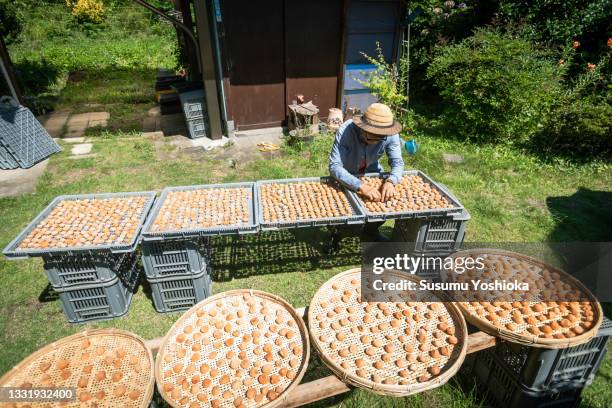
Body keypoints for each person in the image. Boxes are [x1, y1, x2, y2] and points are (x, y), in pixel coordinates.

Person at [329, 103, 404, 241]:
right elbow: (335, 166)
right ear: (361, 128)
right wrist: (360, 185)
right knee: (344, 210)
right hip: (347, 175)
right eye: (371, 138)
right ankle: (338, 234)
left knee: (383, 205)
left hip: (372, 172)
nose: (375, 143)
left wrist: (391, 181)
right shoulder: (346, 131)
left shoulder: (391, 134)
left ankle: (371, 229)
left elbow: (397, 163)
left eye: (379, 139)